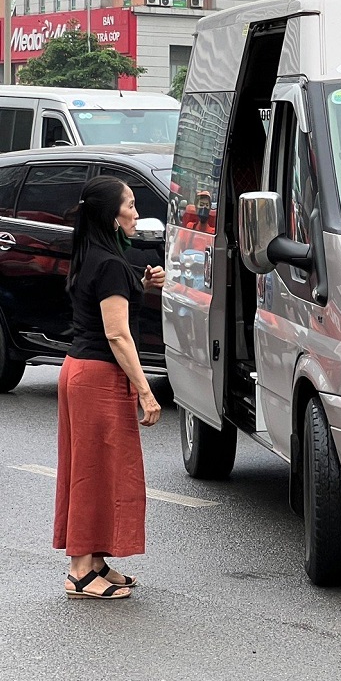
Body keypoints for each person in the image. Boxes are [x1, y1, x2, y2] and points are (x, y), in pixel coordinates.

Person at [55, 175, 165, 600]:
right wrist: (145, 390)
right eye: (131, 206)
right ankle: (80, 571)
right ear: (111, 215)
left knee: (99, 469)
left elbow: (104, 298)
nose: (137, 214)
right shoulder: (112, 265)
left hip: (79, 371)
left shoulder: (94, 255)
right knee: (93, 473)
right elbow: (117, 335)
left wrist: (140, 284)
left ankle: (96, 560)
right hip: (98, 378)